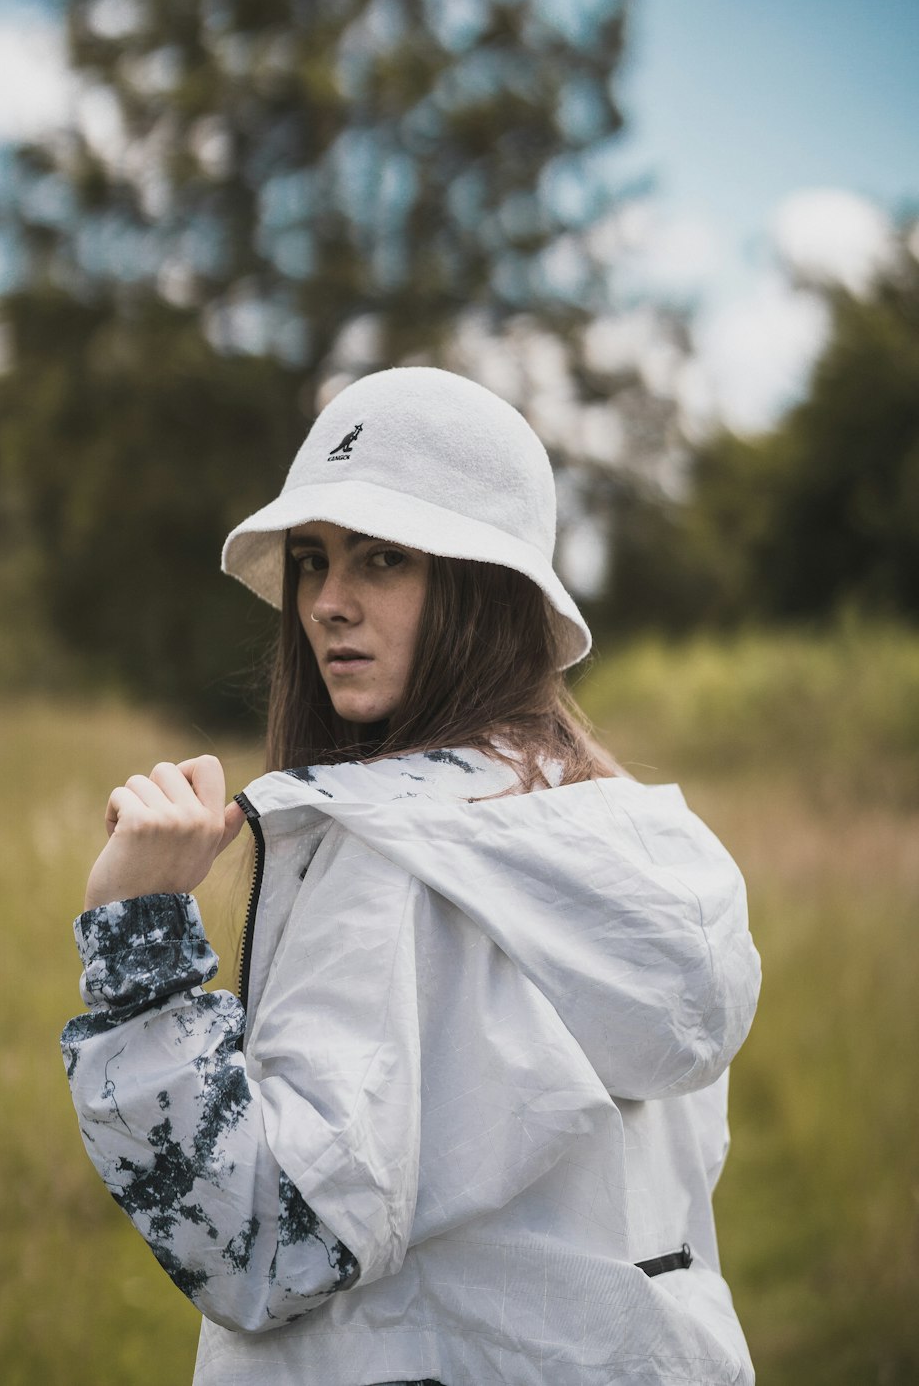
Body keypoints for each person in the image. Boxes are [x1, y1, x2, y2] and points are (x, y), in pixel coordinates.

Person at [62, 366, 761, 1385]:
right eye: (311, 561)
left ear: (481, 586)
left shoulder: (382, 857)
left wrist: (136, 945)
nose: (328, 604)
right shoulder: (638, 846)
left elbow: (265, 1242)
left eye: (382, 559)